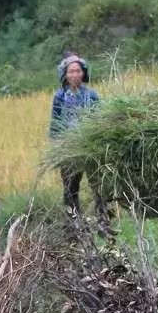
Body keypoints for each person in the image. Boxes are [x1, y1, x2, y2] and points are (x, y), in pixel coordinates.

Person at [49, 52, 102, 212]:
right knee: (70, 189)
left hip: (89, 146)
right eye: (71, 71)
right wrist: (56, 146)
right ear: (65, 75)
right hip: (69, 147)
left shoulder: (91, 95)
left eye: (78, 71)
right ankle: (73, 226)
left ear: (83, 73)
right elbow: (56, 122)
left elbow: (100, 118)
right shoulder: (60, 97)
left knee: (98, 185)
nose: (75, 74)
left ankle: (104, 221)